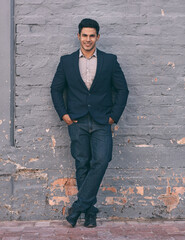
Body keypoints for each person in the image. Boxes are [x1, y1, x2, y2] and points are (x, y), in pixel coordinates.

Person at [51, 18, 129, 228]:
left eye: (92, 35)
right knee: (82, 164)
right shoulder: (66, 61)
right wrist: (64, 115)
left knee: (101, 160)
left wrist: (114, 116)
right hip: (76, 121)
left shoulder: (109, 60)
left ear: (98, 37)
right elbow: (55, 89)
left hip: (102, 121)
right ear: (78, 36)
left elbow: (123, 89)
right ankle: (90, 212)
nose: (87, 39)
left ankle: (77, 208)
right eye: (84, 35)